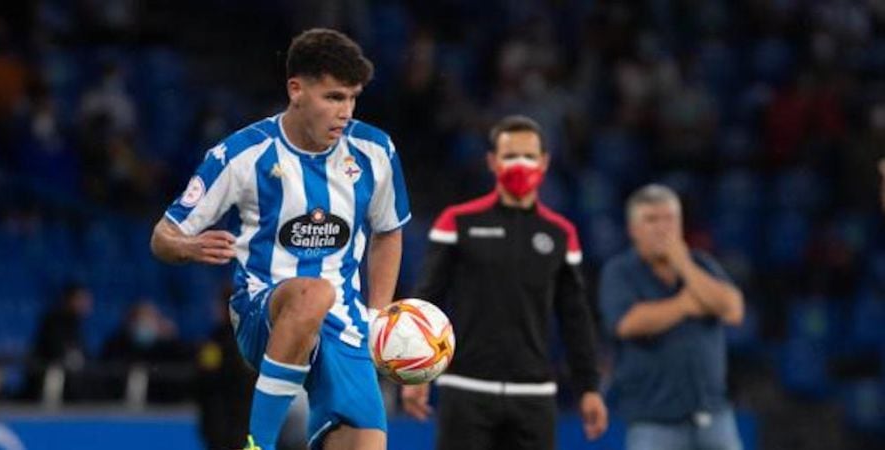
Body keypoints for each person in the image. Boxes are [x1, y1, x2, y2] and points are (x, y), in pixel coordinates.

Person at [150, 28, 410, 450]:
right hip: (263, 311)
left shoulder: (375, 150)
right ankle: (259, 443)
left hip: (344, 324)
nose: (345, 112)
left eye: (352, 98)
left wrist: (376, 318)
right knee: (313, 294)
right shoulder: (242, 155)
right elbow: (163, 236)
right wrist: (186, 246)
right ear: (296, 90)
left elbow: (388, 231)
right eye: (333, 97)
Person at [404, 115, 607, 450]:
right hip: (466, 389)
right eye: (511, 156)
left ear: (544, 162)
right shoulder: (457, 222)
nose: (520, 164)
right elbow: (428, 300)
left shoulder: (560, 234)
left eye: (528, 156)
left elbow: (575, 317)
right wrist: (416, 373)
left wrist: (588, 388)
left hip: (534, 395)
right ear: (492, 161)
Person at [598, 184, 745, 450]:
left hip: (715, 416)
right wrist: (686, 304)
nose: (662, 228)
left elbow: (733, 309)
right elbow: (627, 323)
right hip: (654, 423)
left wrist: (684, 265)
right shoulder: (620, 272)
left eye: (669, 219)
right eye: (651, 220)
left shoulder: (701, 264)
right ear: (633, 230)